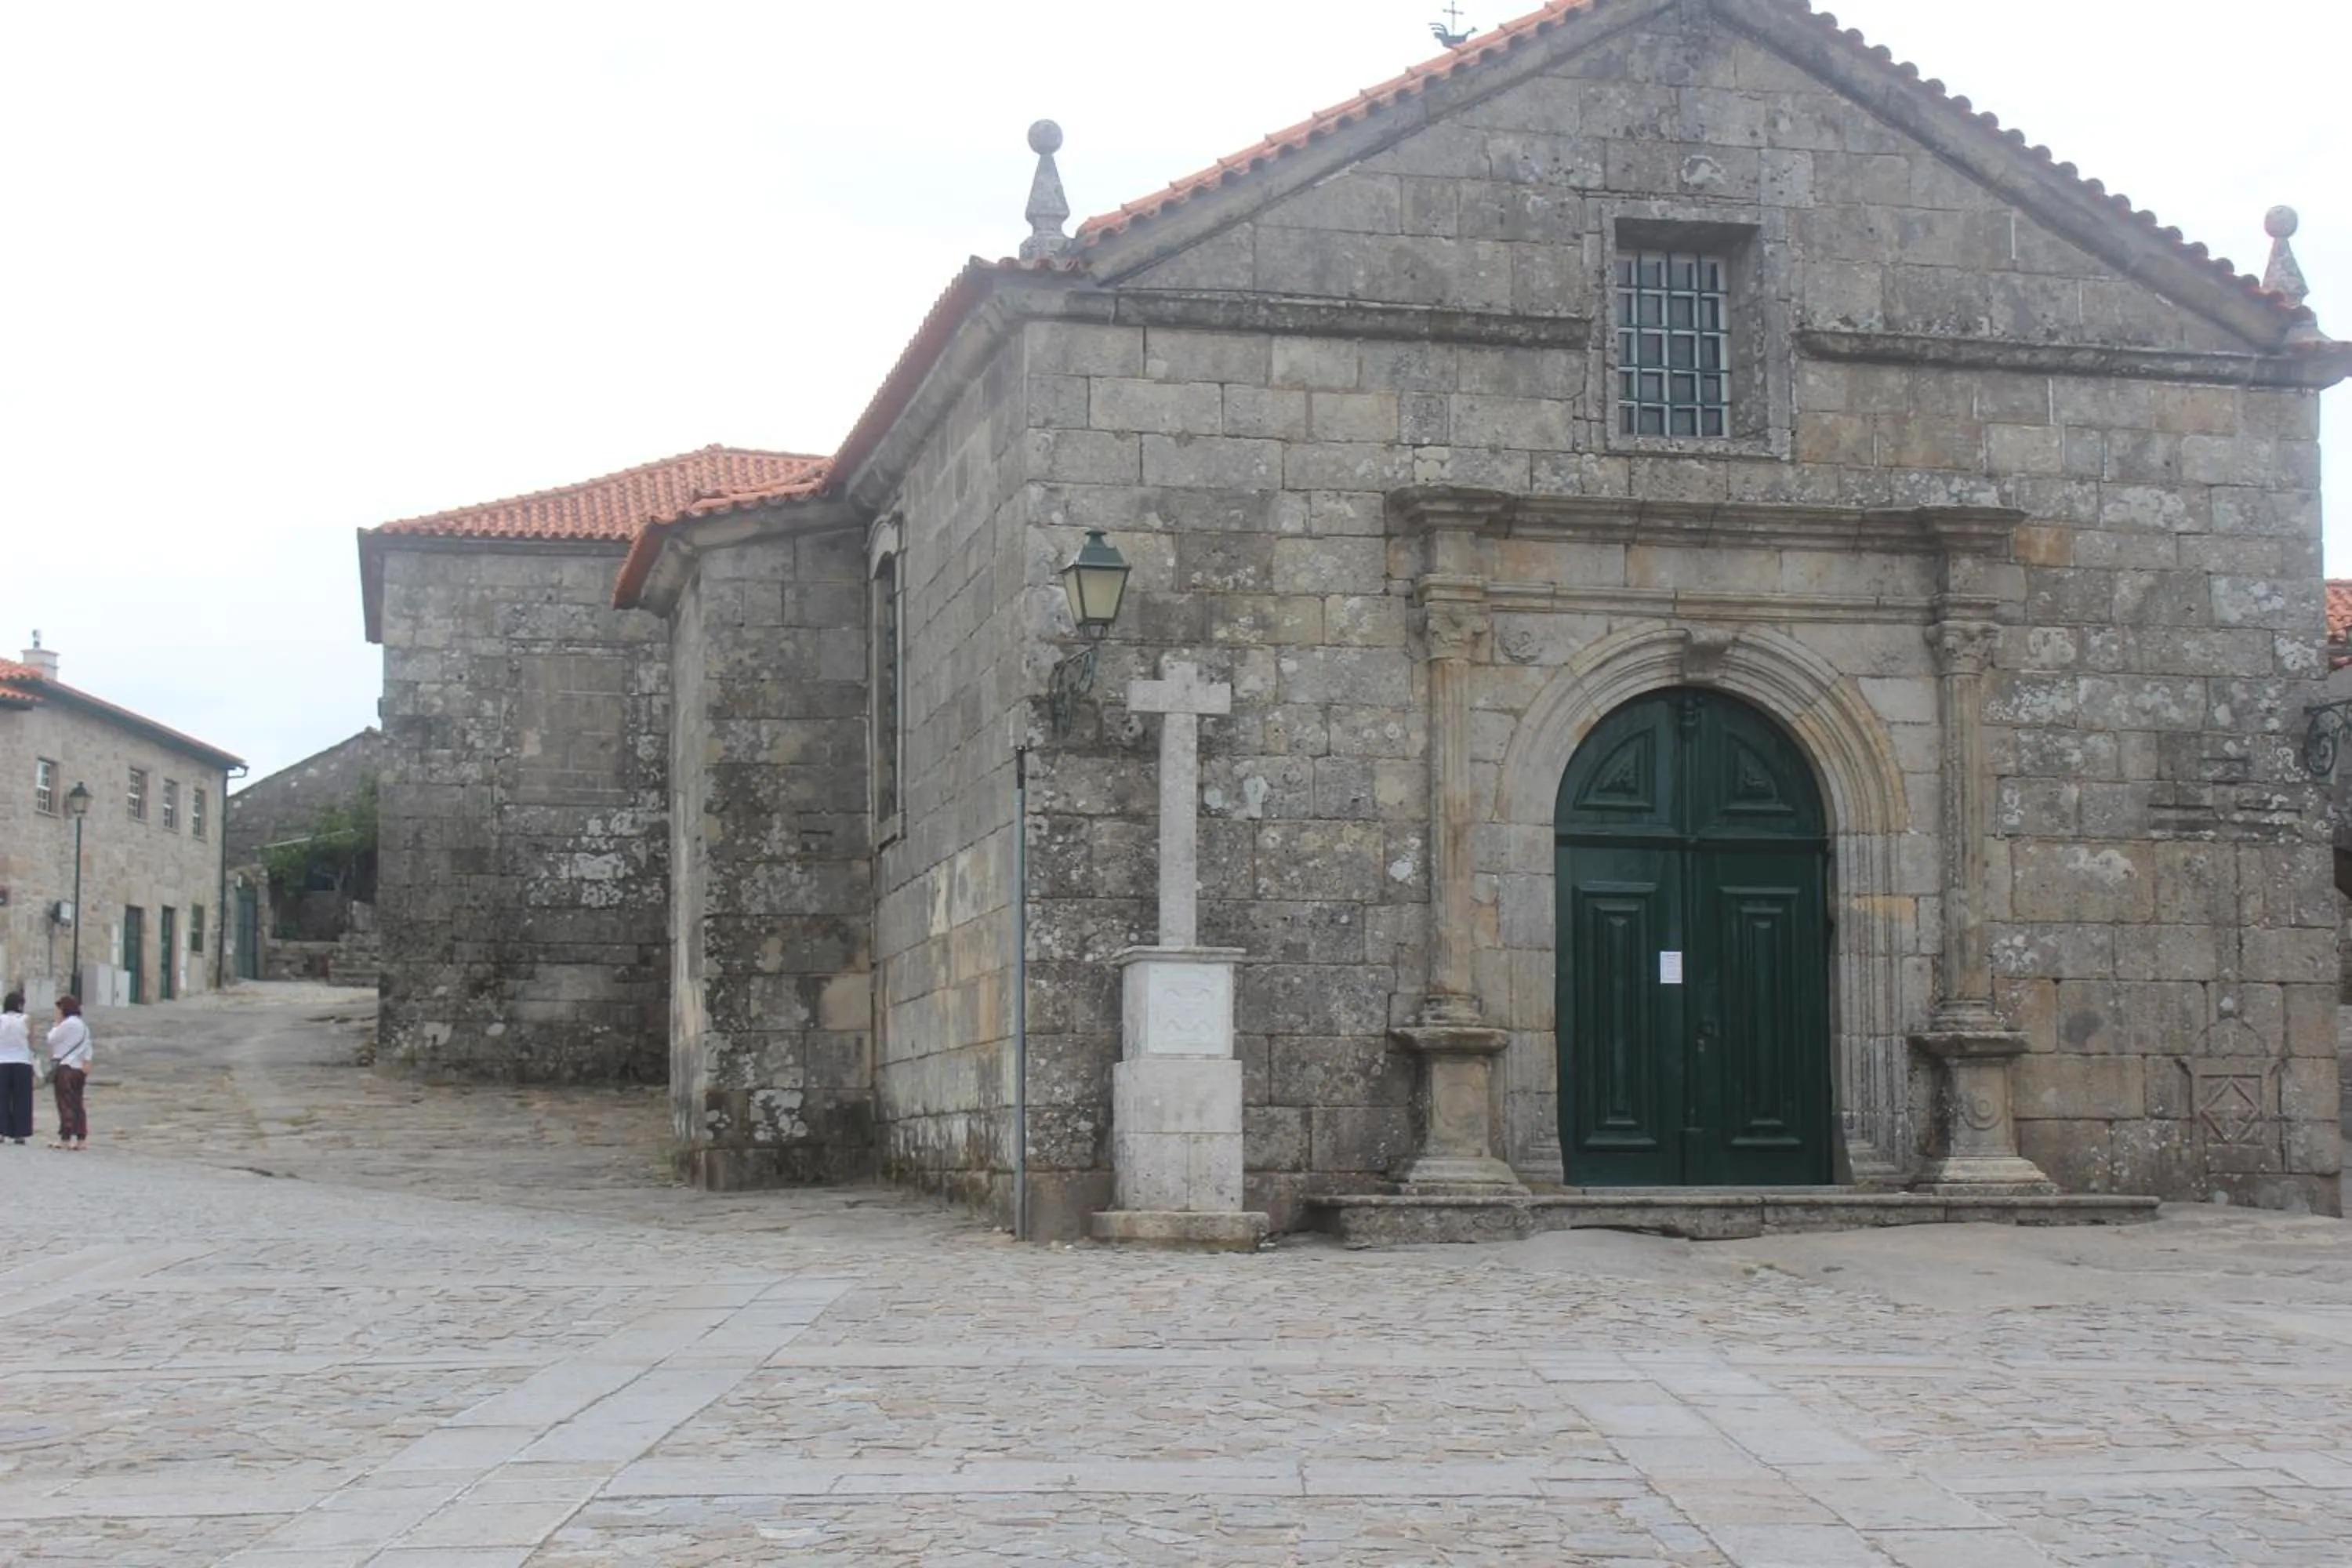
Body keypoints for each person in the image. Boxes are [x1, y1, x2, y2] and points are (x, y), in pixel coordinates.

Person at [46, 995, 90, 1151]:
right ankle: (81, 1139)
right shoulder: (83, 1026)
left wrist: (56, 1024)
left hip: (66, 1067)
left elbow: (51, 1039)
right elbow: (88, 1048)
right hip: (79, 1068)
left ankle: (65, 1138)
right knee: (78, 1104)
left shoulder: (67, 1024)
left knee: (65, 1103)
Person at [0, 993, 31, 1144]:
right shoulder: (26, 1019)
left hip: (2, 1061)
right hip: (22, 1062)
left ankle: (1, 1131)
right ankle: (20, 1133)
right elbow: (32, 1039)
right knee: (21, 1099)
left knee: (2, 1098)